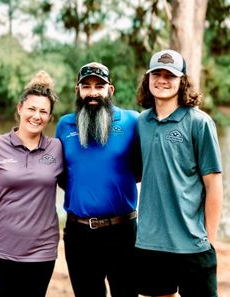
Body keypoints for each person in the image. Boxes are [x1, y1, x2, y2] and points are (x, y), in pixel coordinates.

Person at [135, 49, 223, 297]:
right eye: (156, 74)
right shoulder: (142, 122)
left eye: (170, 75)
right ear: (148, 78)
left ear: (182, 80)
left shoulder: (199, 122)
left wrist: (210, 240)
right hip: (150, 243)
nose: (162, 80)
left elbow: (214, 185)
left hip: (193, 244)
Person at [55, 62, 141, 297]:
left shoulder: (132, 121)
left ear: (110, 90)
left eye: (99, 86)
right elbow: (62, 174)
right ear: (77, 90)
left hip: (123, 231)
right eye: (86, 86)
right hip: (79, 233)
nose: (93, 92)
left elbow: (142, 170)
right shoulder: (65, 125)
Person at [0, 71, 64, 297]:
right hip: (2, 244)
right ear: (20, 108)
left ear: (49, 117)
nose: (36, 116)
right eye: (31, 109)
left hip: (43, 247)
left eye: (43, 111)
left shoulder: (57, 148)